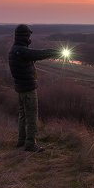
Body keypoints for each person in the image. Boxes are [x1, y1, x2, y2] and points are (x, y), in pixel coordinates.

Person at [8, 24, 59, 152]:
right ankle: (30, 144)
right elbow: (38, 54)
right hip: (28, 89)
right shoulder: (21, 50)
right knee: (31, 116)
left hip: (20, 88)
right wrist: (55, 52)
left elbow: (31, 57)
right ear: (25, 36)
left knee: (23, 116)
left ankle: (21, 141)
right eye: (29, 35)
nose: (30, 37)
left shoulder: (15, 49)